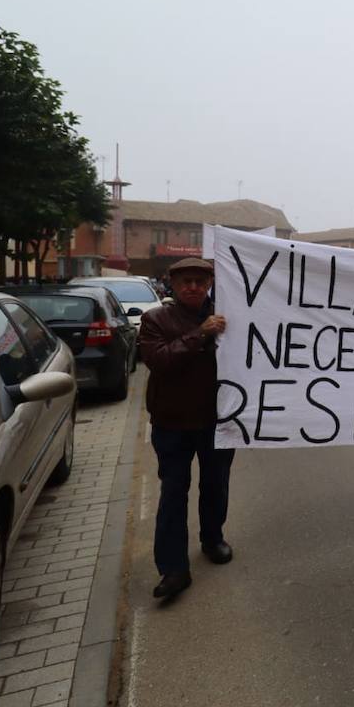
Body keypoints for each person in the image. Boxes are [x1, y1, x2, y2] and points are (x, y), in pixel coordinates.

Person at [138, 257, 234, 600]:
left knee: (215, 485)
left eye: (199, 281)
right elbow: (158, 361)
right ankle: (174, 569)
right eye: (185, 282)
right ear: (173, 285)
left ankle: (212, 538)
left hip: (217, 422)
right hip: (172, 424)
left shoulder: (232, 315)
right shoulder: (155, 319)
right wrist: (200, 334)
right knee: (173, 494)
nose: (193, 287)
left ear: (209, 283)